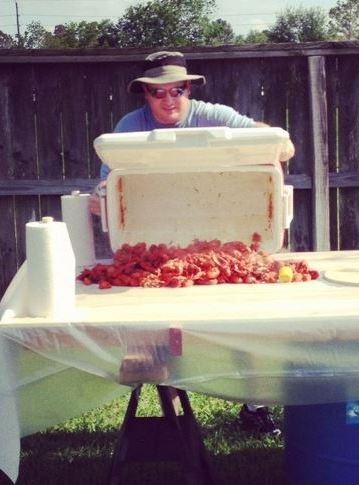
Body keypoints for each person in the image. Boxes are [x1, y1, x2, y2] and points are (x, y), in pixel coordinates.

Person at [91, 50, 292, 437]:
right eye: (158, 92)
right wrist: (98, 200)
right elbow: (105, 185)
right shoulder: (129, 128)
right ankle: (175, 414)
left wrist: (278, 148)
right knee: (164, 329)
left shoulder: (215, 116)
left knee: (246, 322)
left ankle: (255, 405)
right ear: (145, 94)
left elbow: (272, 138)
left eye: (177, 90)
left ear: (189, 89)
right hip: (157, 245)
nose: (168, 99)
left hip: (228, 240)